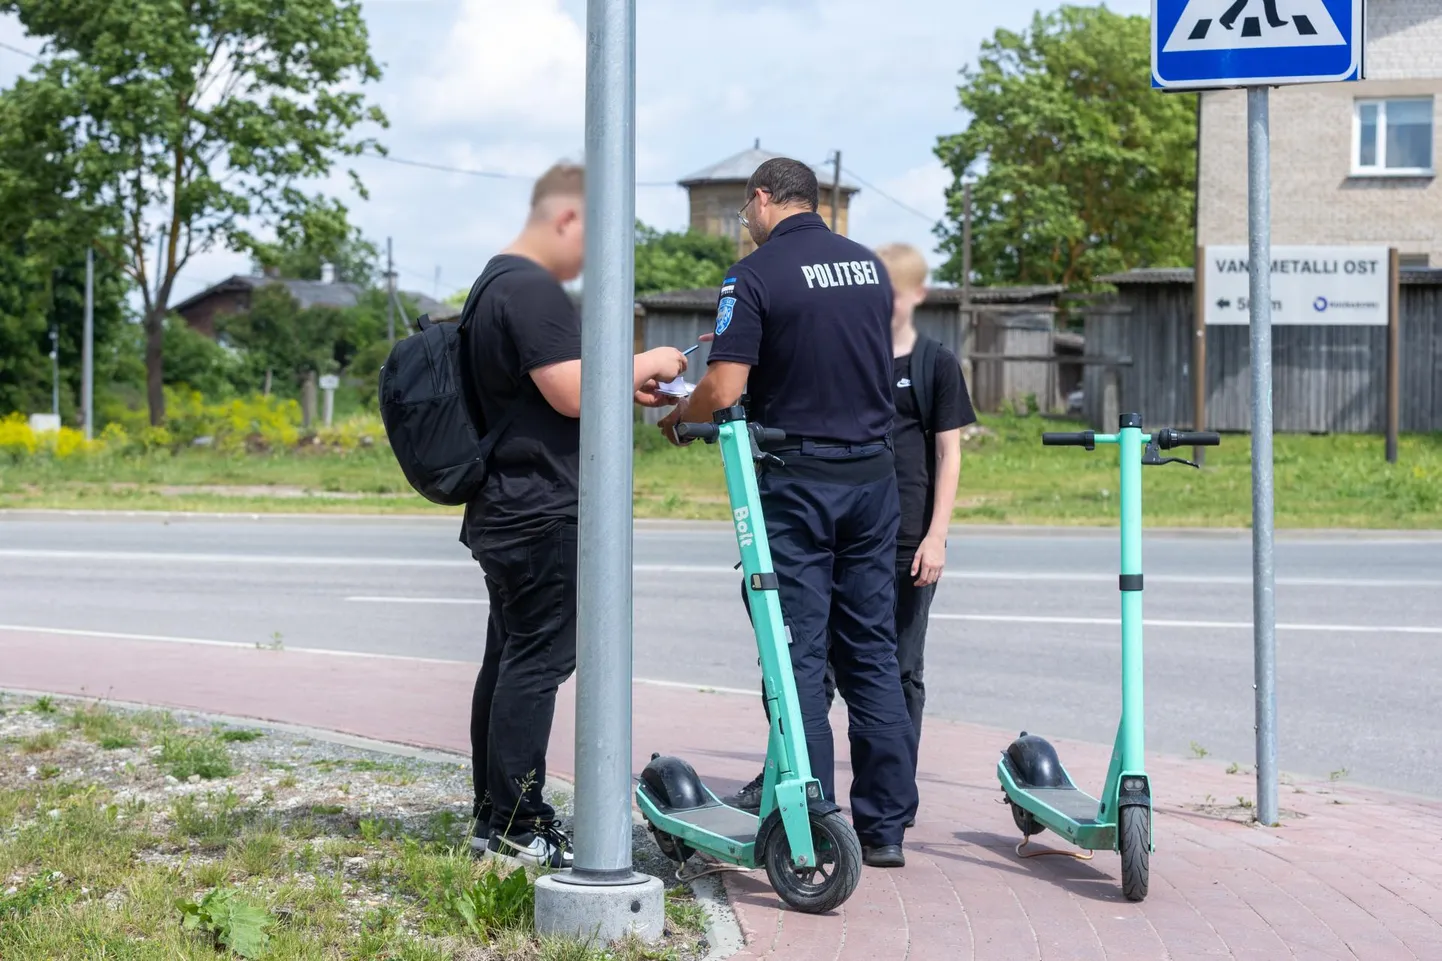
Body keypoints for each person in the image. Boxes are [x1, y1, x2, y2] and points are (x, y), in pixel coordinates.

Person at [653, 158, 918, 868]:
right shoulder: (869, 268)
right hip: (873, 477)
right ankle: (886, 825)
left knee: (795, 649)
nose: (748, 225)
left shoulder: (755, 275)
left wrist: (680, 415)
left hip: (797, 480)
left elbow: (727, 385)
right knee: (871, 650)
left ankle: (810, 811)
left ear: (764, 198)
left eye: (746, 213)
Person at [463, 162, 689, 868]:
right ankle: (517, 824)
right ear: (568, 218)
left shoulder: (493, 282)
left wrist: (623, 382)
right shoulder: (531, 289)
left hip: (507, 503)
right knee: (537, 661)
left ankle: (494, 815)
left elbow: (561, 388)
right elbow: (568, 391)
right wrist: (645, 358)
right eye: (595, 239)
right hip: (539, 510)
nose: (594, 260)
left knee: (509, 657)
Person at [726, 242, 975, 827]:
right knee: (859, 662)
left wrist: (936, 535)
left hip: (873, 519)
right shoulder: (856, 336)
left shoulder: (930, 361)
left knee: (844, 661)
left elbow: (949, 451)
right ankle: (872, 814)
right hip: (871, 504)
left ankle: (830, 808)